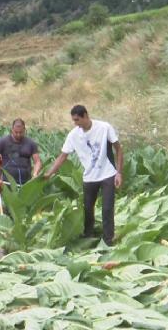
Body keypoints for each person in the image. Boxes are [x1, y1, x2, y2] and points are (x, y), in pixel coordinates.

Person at [44, 105, 124, 246]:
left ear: (86, 115)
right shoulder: (74, 135)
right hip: (89, 177)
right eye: (74, 120)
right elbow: (63, 156)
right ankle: (88, 237)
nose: (76, 123)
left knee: (107, 208)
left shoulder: (104, 127)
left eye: (77, 120)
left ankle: (108, 240)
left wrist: (119, 173)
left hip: (108, 174)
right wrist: (49, 173)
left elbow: (118, 149)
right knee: (88, 208)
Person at [0, 118, 42, 185]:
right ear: (12, 130)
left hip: (26, 183)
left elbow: (37, 161)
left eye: (21, 132)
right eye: (16, 132)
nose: (18, 134)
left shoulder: (31, 143)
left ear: (24, 130)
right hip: (6, 182)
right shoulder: (3, 141)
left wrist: (35, 173)